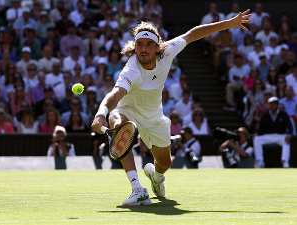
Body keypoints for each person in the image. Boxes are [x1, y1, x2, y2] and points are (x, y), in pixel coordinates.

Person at [91, 11, 251, 206]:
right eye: (139, 44)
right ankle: (137, 189)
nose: (144, 49)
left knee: (165, 163)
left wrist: (229, 23)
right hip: (128, 111)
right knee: (117, 121)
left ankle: (156, 178)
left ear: (157, 47)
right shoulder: (131, 70)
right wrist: (101, 114)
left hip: (154, 117)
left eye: (149, 44)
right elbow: (115, 95)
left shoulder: (167, 51)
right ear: (135, 46)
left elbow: (192, 34)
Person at [253, 97, 292, 168]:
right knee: (256, 139)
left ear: (277, 105)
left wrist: (289, 135)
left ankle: (285, 161)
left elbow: (289, 126)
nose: (272, 106)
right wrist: (256, 134)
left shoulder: (283, 114)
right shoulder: (265, 116)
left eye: (274, 104)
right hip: (268, 136)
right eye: (271, 104)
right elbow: (260, 129)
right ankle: (260, 161)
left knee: (286, 140)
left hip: (280, 136)